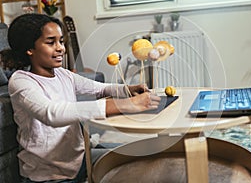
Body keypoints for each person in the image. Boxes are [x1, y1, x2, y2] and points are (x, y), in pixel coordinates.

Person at [0, 13, 161, 182]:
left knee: (141, 157)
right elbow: (51, 113)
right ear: (29, 48)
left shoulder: (63, 74)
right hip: (48, 176)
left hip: (80, 162)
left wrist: (127, 89)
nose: (60, 48)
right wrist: (124, 105)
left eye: (61, 41)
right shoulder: (21, 81)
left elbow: (99, 89)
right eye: (50, 42)